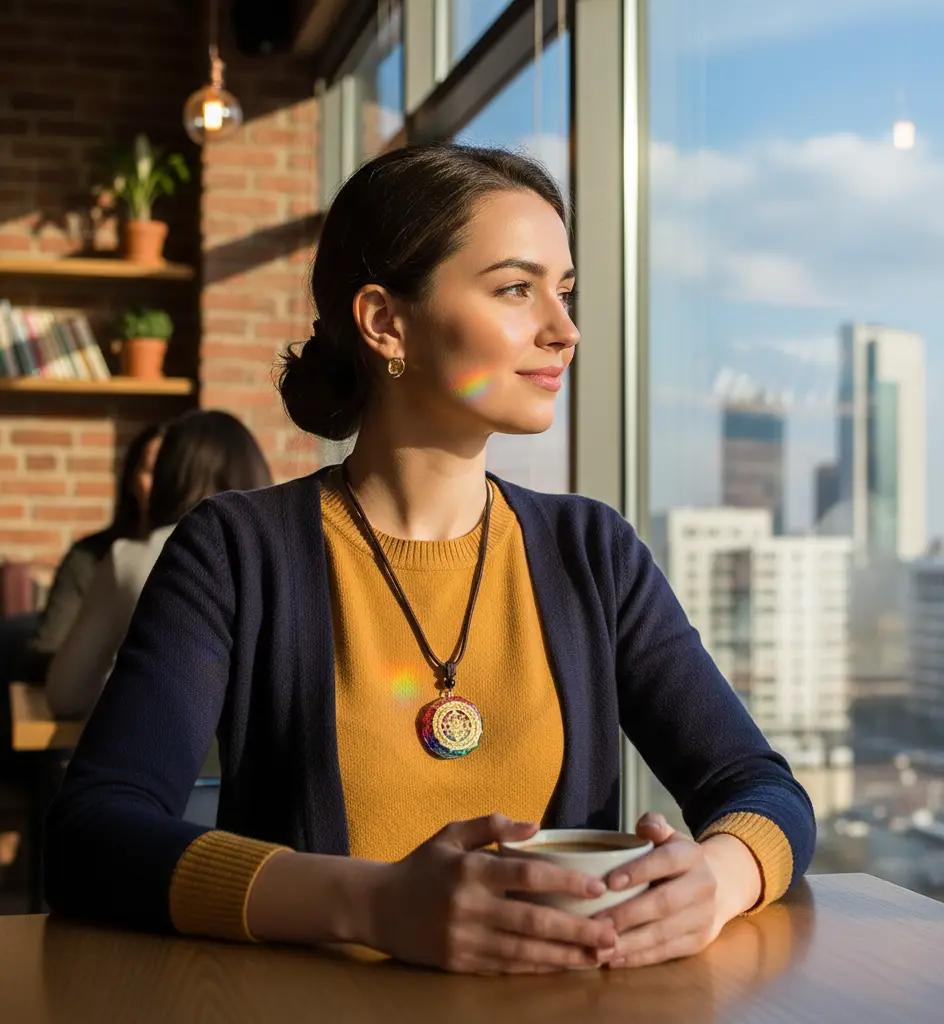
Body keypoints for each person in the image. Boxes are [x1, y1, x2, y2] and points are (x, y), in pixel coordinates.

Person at [44, 144, 815, 975]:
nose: (564, 330)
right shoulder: (237, 550)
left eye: (565, 292)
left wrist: (716, 879)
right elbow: (92, 834)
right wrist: (376, 905)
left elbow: (761, 790)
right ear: (385, 322)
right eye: (517, 289)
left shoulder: (594, 553)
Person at [45, 410, 272, 720]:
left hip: (160, 763)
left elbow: (65, 695)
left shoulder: (129, 559)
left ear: (172, 472)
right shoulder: (296, 556)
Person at [16, 423, 165, 684]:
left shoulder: (207, 562)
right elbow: (45, 651)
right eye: (152, 471)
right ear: (131, 481)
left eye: (172, 473)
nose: (164, 485)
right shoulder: (91, 558)